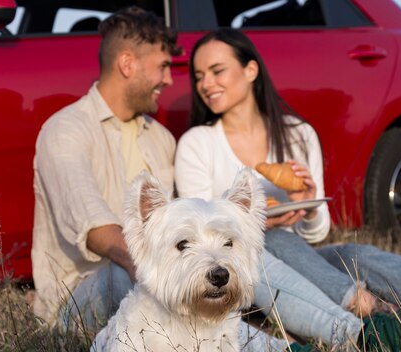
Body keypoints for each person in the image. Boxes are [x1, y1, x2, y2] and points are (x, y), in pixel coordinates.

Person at [174, 28, 401, 350]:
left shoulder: (297, 134)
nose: (206, 84)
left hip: (304, 261)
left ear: (251, 71)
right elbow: (205, 228)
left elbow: (318, 232)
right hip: (247, 276)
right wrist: (262, 224)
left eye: (217, 71)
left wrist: (308, 205)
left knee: (357, 255)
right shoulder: (197, 144)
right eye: (199, 76)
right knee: (273, 240)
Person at [31, 7, 298, 352]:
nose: (170, 80)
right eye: (162, 67)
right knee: (130, 268)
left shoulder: (160, 138)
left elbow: (191, 226)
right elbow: (96, 230)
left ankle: (310, 335)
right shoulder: (66, 130)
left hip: (161, 291)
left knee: (239, 259)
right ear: (127, 64)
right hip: (83, 293)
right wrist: (154, 262)